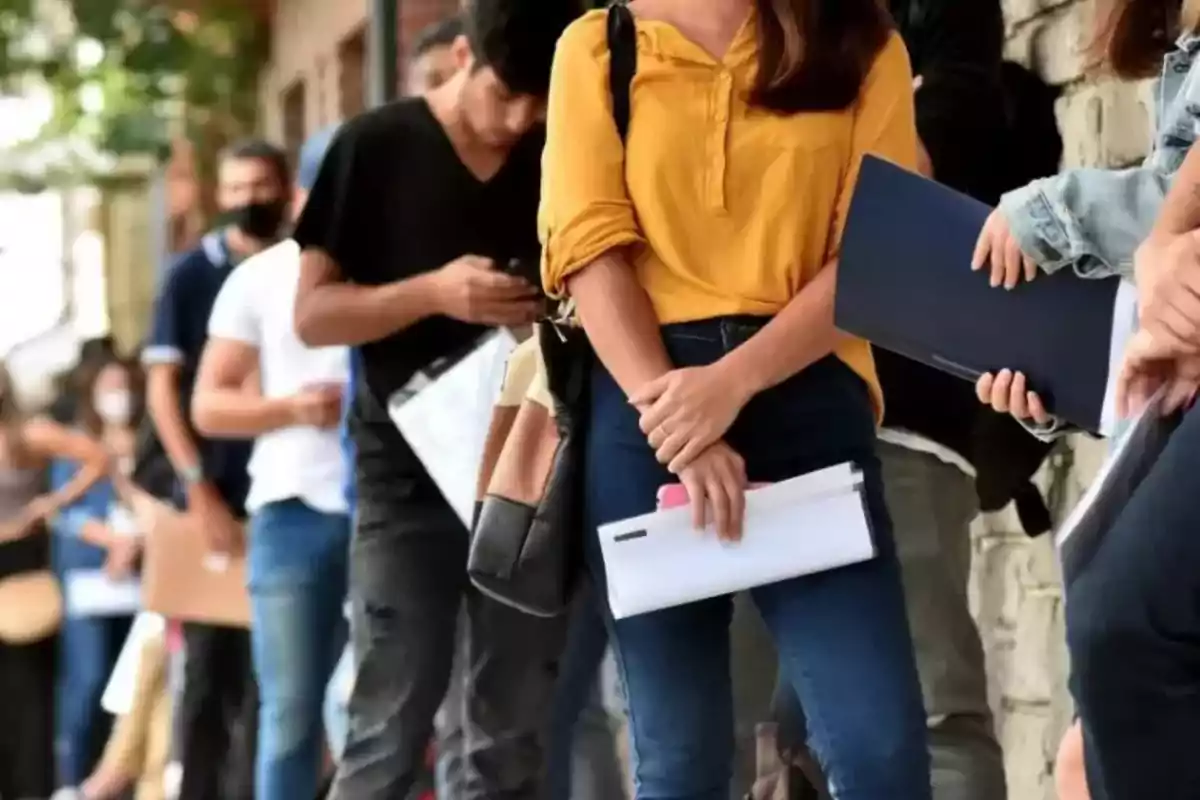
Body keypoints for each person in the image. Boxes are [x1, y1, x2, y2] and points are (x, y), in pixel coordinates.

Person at [540, 0, 932, 797]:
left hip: (809, 393)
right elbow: (587, 245)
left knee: (878, 751)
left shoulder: (858, 39)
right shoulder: (597, 48)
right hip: (644, 406)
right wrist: (684, 424)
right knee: (681, 762)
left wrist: (732, 383)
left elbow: (880, 247)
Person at [291, 0, 585, 795]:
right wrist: (432, 292)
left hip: (528, 480)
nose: (520, 119)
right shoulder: (372, 147)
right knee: (389, 724)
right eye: (505, 95)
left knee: (509, 732)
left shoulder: (557, 152)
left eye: (540, 102)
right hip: (405, 482)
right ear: (461, 56)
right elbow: (313, 315)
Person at [770, 2, 1013, 798]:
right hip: (749, 410)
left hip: (902, 412)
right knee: (764, 732)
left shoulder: (939, 13)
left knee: (932, 712)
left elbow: (905, 177)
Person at [191, 125, 349, 800]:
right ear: (301, 192)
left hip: (402, 509)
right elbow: (208, 404)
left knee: (382, 712)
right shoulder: (260, 278)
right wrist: (291, 408)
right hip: (294, 514)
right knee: (290, 716)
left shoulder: (414, 267)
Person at [143, 138, 291, 800]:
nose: (246, 201)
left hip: (288, 497)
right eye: (234, 189)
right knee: (207, 677)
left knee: (277, 682)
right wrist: (196, 486)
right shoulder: (190, 275)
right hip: (219, 504)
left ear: (284, 190)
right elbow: (161, 391)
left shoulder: (304, 266)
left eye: (259, 186)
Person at [0, 361, 109, 799]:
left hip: (24, 566)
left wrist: (52, 501)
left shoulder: (28, 433)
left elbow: (97, 457)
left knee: (29, 695)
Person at [52, 355, 145, 790]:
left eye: (122, 385)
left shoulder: (146, 444)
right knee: (88, 682)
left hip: (141, 584)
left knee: (133, 689)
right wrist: (114, 543)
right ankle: (76, 779)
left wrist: (134, 543)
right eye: (107, 386)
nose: (117, 396)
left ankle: (121, 780)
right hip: (91, 580)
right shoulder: (76, 445)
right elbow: (63, 510)